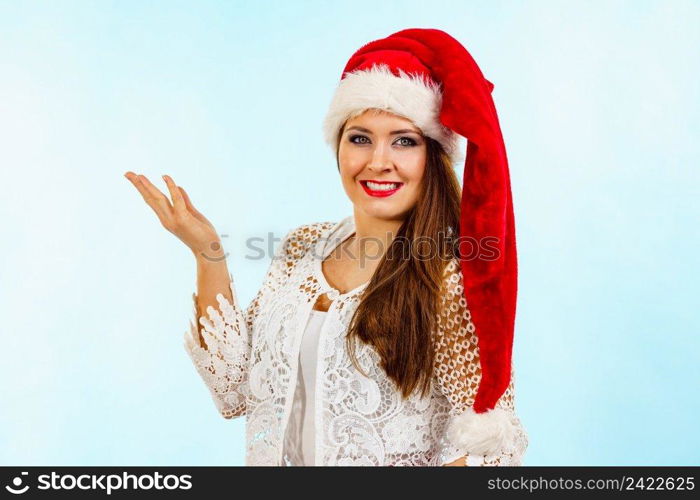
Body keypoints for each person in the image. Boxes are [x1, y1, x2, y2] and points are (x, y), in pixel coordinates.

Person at [124, 28, 528, 466]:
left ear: (433, 156)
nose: (378, 161)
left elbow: (489, 442)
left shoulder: (453, 278)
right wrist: (207, 254)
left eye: (404, 141)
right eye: (360, 138)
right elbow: (232, 388)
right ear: (337, 147)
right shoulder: (303, 247)